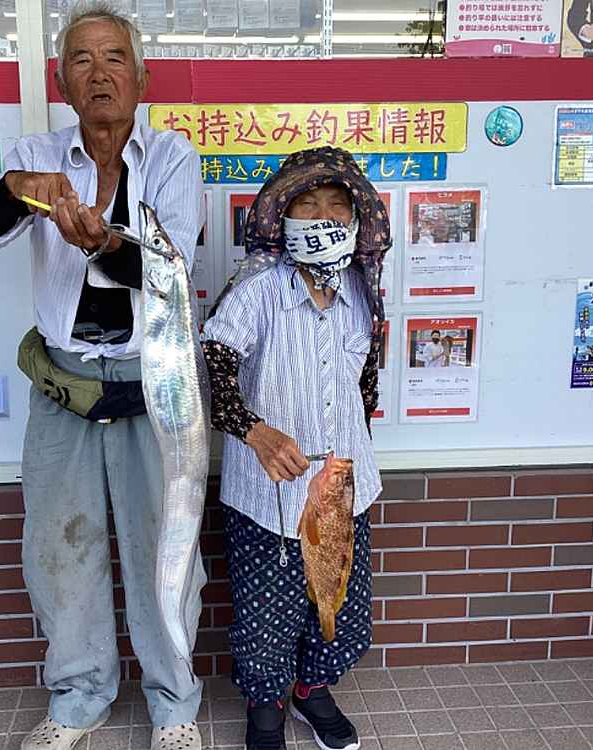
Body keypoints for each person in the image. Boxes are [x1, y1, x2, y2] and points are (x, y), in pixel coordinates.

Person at [0, 3, 205, 749]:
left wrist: (102, 244)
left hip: (152, 383)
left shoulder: (172, 157)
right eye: (81, 61)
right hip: (63, 383)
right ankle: (79, 696)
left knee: (166, 545)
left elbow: (171, 269)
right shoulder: (37, 154)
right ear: (61, 83)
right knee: (60, 550)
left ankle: (174, 705)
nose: (99, 74)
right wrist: (12, 189)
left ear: (141, 78)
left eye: (114, 58)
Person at [200, 147, 389, 750]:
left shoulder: (363, 290)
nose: (324, 215)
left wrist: (347, 455)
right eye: (308, 203)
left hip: (343, 491)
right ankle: (265, 706)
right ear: (281, 215)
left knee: (339, 604)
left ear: (358, 217)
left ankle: (311, 690)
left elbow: (365, 385)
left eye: (337, 204)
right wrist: (256, 432)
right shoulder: (255, 289)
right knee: (266, 614)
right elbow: (211, 370)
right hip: (268, 497)